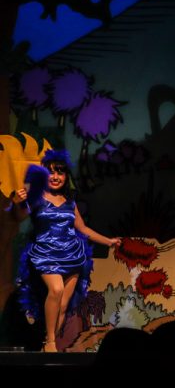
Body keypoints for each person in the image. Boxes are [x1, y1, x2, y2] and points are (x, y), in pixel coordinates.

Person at [11, 149, 120, 352]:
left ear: (66, 176)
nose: (55, 177)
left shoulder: (70, 202)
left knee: (63, 305)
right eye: (51, 172)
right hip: (45, 253)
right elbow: (19, 217)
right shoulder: (36, 197)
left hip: (72, 255)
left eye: (60, 172)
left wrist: (108, 241)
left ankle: (47, 344)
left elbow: (83, 229)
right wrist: (18, 205)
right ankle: (51, 341)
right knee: (56, 290)